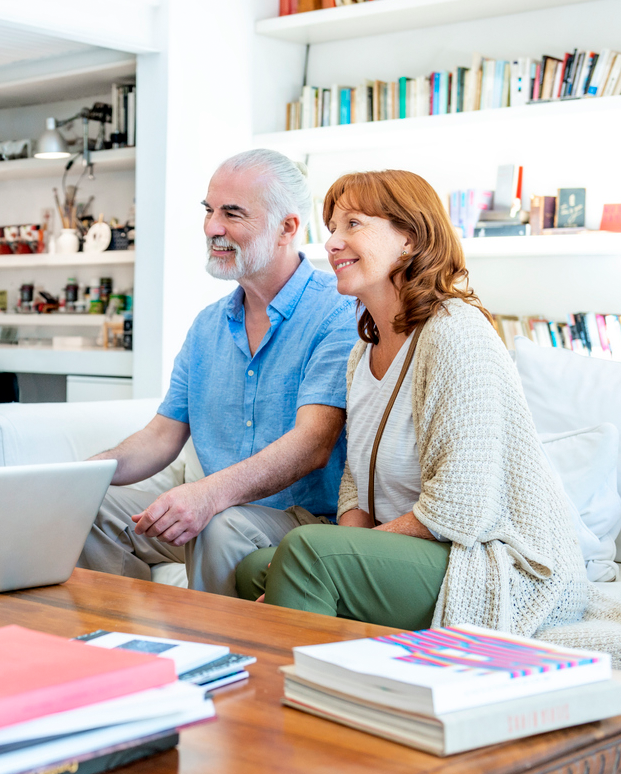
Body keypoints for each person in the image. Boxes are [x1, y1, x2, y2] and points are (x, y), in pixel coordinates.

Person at [236, 169, 621, 660]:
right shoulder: (364, 350)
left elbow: (460, 508)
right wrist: (345, 554)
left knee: (307, 553)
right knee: (258, 568)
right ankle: (348, 679)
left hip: (493, 563)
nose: (332, 242)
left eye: (353, 224)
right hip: (424, 550)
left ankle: (294, 714)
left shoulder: (455, 332)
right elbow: (357, 482)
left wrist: (332, 557)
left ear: (410, 239)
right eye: (331, 226)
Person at [78, 149, 358, 597]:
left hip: (300, 521)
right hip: (215, 513)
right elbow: (162, 436)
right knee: (85, 507)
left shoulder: (339, 312)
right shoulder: (208, 325)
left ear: (287, 227)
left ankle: (213, 661)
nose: (212, 227)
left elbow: (313, 444)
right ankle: (123, 644)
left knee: (220, 522)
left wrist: (208, 495)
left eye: (232, 213)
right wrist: (80, 475)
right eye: (209, 211)